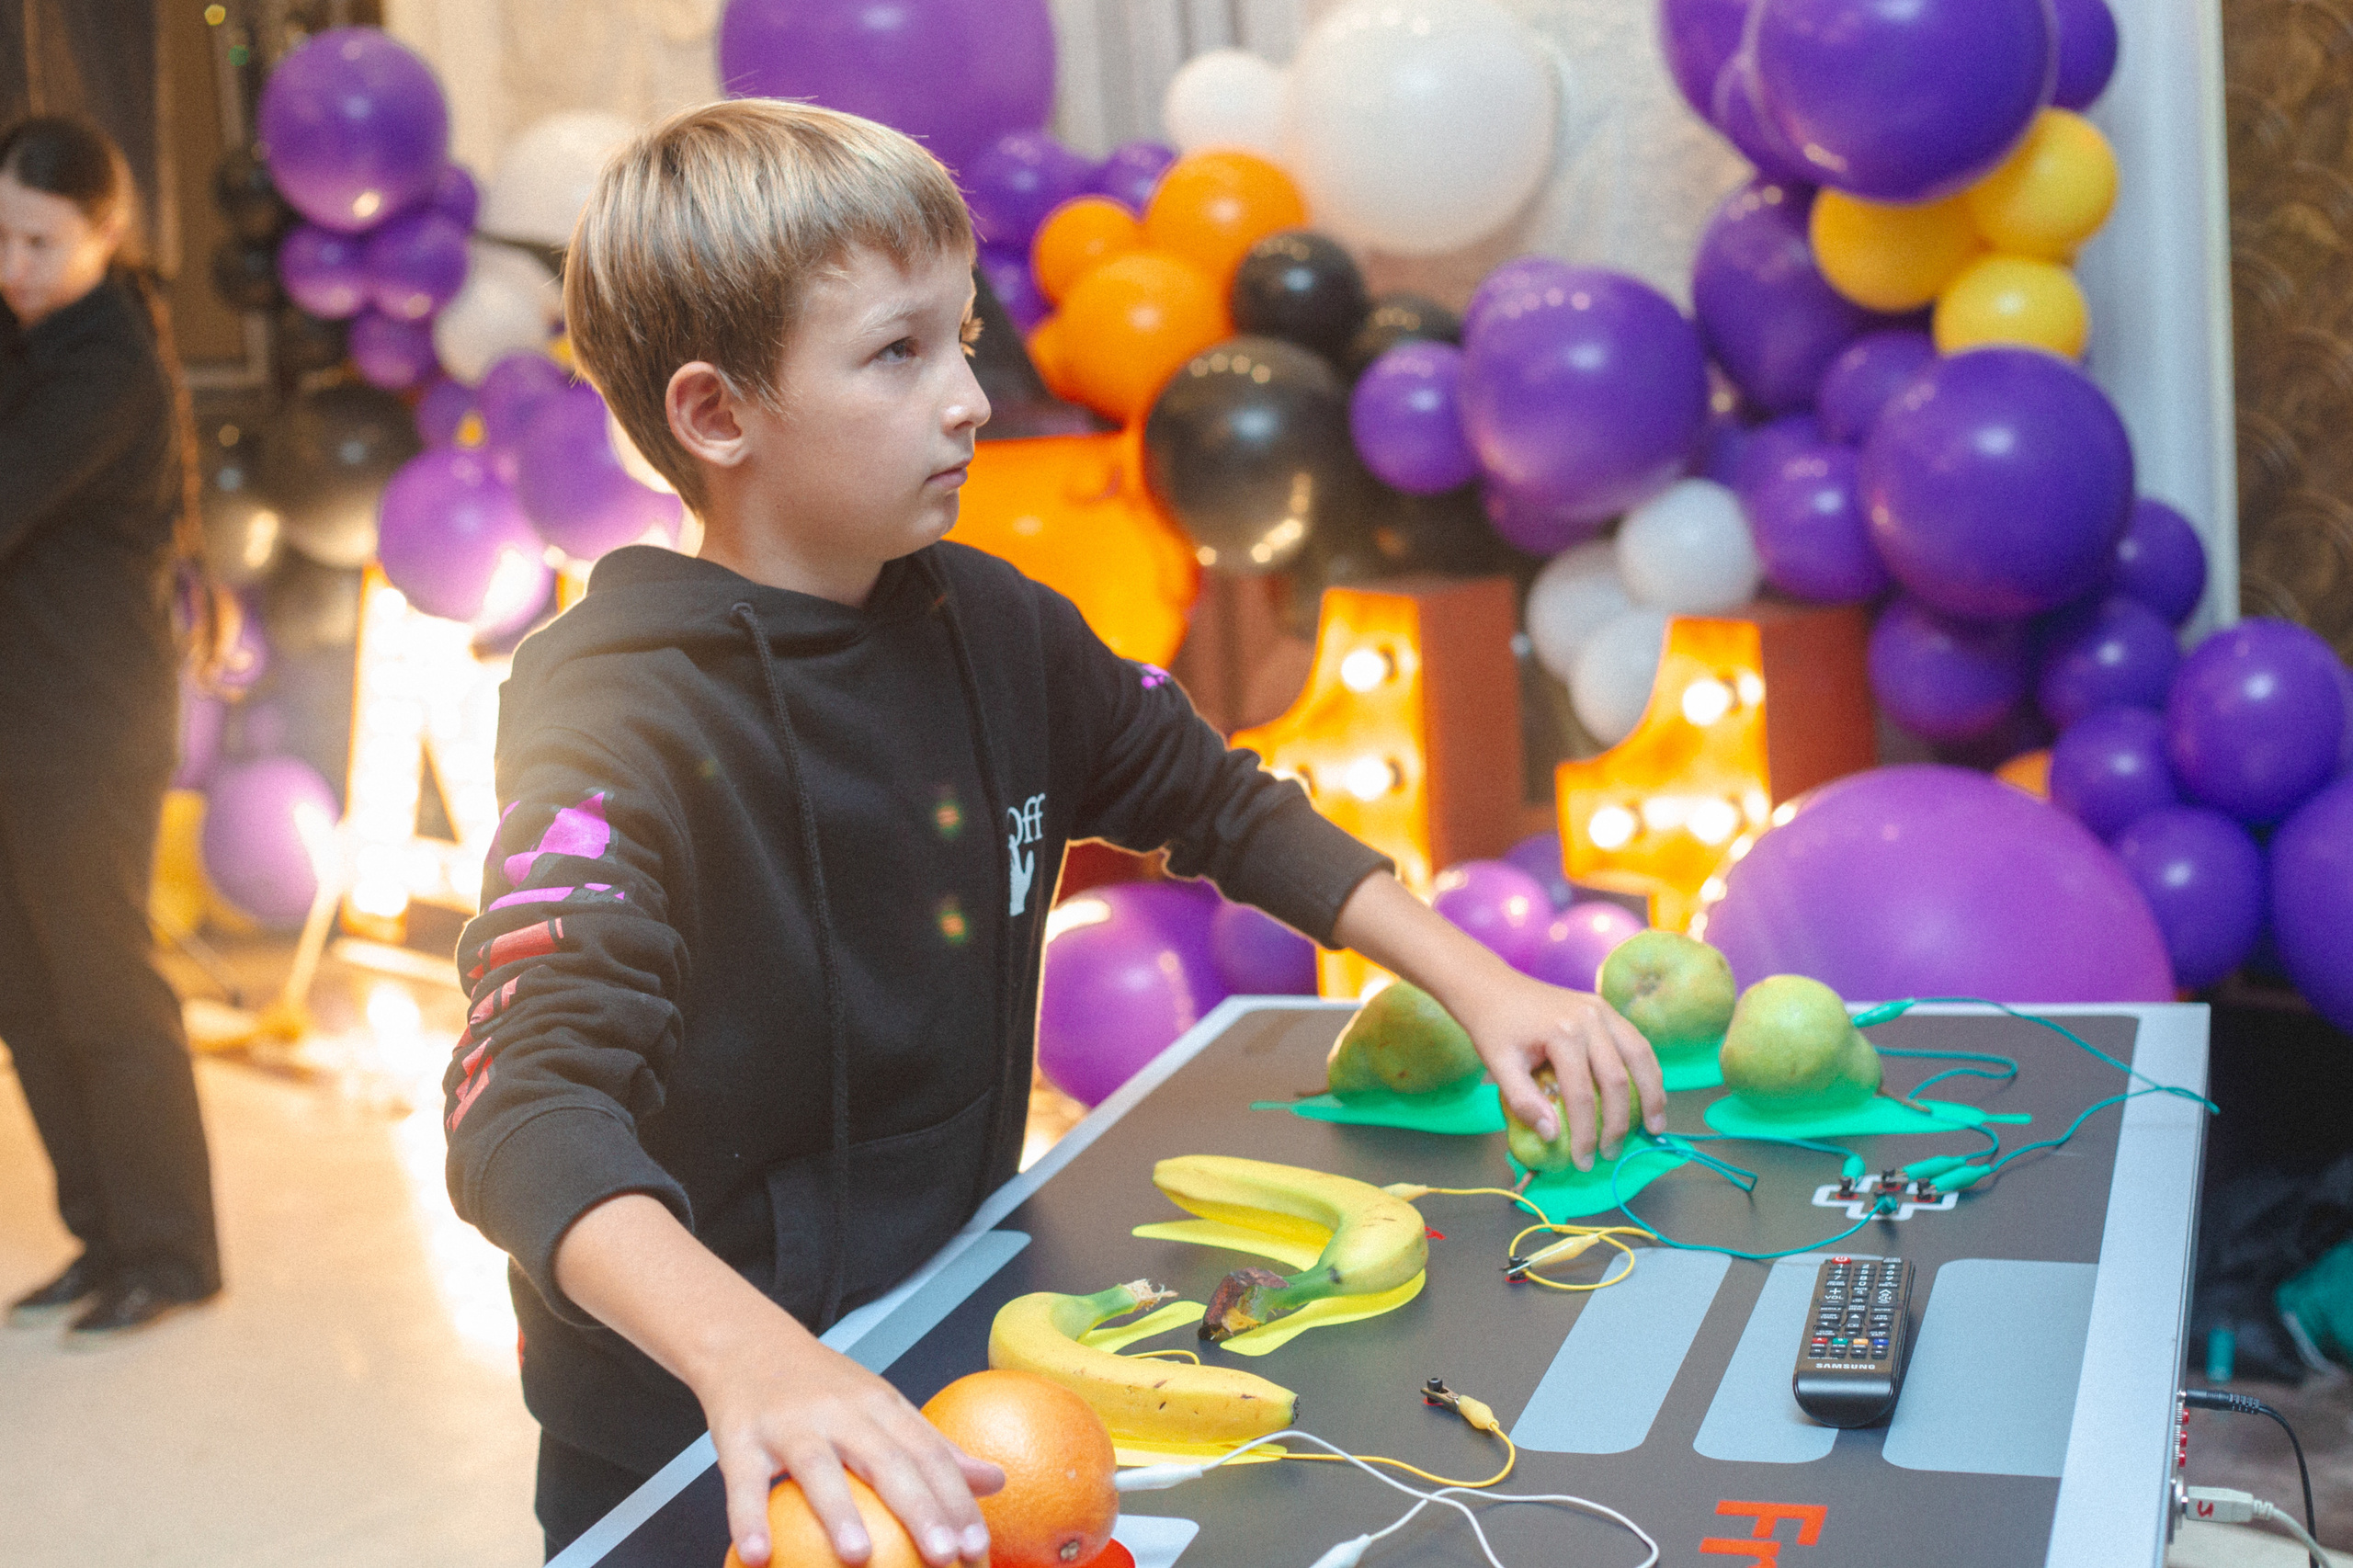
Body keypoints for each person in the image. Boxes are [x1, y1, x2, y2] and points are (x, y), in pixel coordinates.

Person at [444, 97, 1664, 1567]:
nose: (967, 396)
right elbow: (524, 1106)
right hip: (697, 1431)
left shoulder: (1001, 629)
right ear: (717, 414)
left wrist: (1485, 981)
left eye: (960, 339)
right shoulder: (607, 709)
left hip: (952, 1332)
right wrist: (752, 1357)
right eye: (897, 352)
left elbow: (1217, 801)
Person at [0, 114, 223, 1337]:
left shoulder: (103, 364)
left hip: (86, 722)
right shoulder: (28, 337)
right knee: (26, 987)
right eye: (0, 238)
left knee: (101, 982)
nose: (15, 266)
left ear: (104, 233)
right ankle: (99, 1231)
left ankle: (171, 1247)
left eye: (40, 240)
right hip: (17, 718)